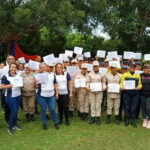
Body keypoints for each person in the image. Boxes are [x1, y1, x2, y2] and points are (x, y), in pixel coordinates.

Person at [36, 63, 59, 130]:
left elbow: (55, 84)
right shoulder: (38, 75)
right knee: (43, 109)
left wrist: (57, 93)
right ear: (40, 68)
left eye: (44, 67)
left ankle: (55, 122)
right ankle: (44, 123)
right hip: (41, 95)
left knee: (52, 109)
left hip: (51, 95)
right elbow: (35, 86)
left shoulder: (52, 74)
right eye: (41, 67)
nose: (43, 68)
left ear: (47, 67)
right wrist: (35, 82)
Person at [1, 63, 22, 135]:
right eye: (12, 67)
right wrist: (8, 86)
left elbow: (20, 85)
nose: (14, 68)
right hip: (10, 96)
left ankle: (15, 124)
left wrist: (21, 85)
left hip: (18, 95)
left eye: (15, 67)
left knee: (16, 111)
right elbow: (2, 87)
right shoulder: (5, 76)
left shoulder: (18, 75)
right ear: (9, 68)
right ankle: (10, 127)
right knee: (14, 111)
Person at [120, 64, 142, 128]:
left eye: (133, 67)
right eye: (131, 67)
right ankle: (126, 120)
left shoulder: (137, 75)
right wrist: (121, 87)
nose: (132, 68)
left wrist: (138, 87)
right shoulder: (124, 75)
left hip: (135, 93)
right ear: (129, 68)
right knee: (126, 106)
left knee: (134, 107)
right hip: (126, 93)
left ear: (135, 68)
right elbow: (121, 83)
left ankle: (133, 120)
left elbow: (140, 84)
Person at [87, 61, 105, 125]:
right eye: (94, 66)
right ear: (92, 67)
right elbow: (88, 82)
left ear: (98, 66)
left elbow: (103, 82)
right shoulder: (89, 74)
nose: (95, 67)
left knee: (98, 104)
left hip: (99, 91)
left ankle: (98, 118)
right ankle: (92, 118)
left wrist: (104, 87)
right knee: (92, 104)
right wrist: (87, 87)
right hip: (91, 91)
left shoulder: (102, 73)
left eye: (96, 66)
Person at [140, 64, 150, 129]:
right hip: (142, 94)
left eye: (147, 68)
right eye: (144, 68)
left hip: (149, 95)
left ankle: (149, 120)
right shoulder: (140, 75)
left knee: (148, 107)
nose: (146, 69)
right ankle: (144, 119)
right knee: (143, 107)